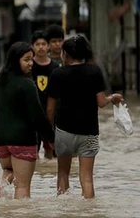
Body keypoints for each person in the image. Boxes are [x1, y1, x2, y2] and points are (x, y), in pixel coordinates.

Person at [46, 35, 123, 199]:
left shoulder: (57, 74)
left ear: (65, 54)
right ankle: (89, 212)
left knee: (62, 174)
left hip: (64, 131)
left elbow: (50, 109)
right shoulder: (94, 71)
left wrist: (48, 133)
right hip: (89, 132)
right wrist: (112, 98)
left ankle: (64, 210)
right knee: (87, 178)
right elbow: (101, 102)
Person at [0, 42, 55, 199]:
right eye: (27, 59)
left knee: (9, 171)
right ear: (15, 60)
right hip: (22, 138)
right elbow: (37, 116)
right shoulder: (27, 84)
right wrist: (51, 138)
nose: (31, 63)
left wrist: (2, 122)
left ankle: (0, 190)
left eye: (32, 59)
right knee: (22, 186)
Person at [31, 30, 60, 160]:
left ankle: (48, 178)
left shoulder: (55, 67)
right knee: (33, 153)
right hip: (33, 116)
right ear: (32, 46)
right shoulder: (28, 66)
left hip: (51, 116)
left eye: (43, 44)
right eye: (37, 44)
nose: (41, 47)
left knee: (51, 154)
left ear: (48, 46)